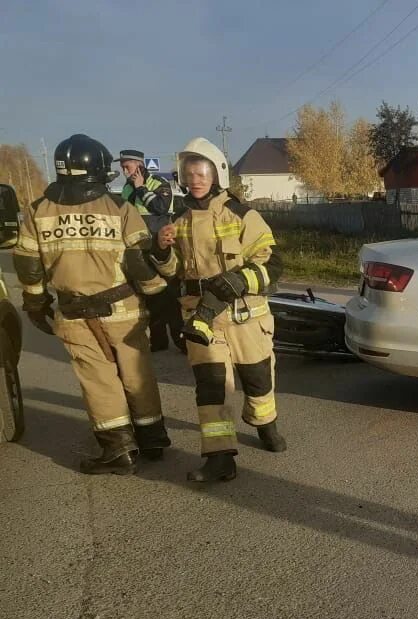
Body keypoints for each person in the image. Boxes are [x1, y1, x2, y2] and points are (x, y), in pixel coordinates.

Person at [12, 134, 171, 473]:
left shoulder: (38, 211)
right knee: (136, 372)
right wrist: (157, 294)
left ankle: (118, 450)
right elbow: (139, 261)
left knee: (98, 378)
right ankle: (152, 438)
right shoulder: (119, 208)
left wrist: (36, 304)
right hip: (124, 309)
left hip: (74, 313)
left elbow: (27, 264)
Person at [150, 137, 286, 483]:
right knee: (211, 387)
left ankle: (264, 423)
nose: (195, 179)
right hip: (201, 320)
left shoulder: (243, 215)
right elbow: (173, 273)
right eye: (189, 173)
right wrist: (162, 251)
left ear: (217, 174)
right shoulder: (177, 221)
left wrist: (239, 281)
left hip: (246, 317)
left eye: (202, 172)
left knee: (258, 380)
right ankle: (220, 458)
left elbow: (272, 264)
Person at [117, 149, 182, 352]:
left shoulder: (159, 183)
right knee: (151, 296)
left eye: (127, 166)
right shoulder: (126, 189)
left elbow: (160, 208)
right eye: (122, 166)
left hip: (161, 247)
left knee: (171, 296)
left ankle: (181, 341)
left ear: (139, 164)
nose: (124, 170)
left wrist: (142, 189)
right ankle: (158, 341)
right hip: (139, 249)